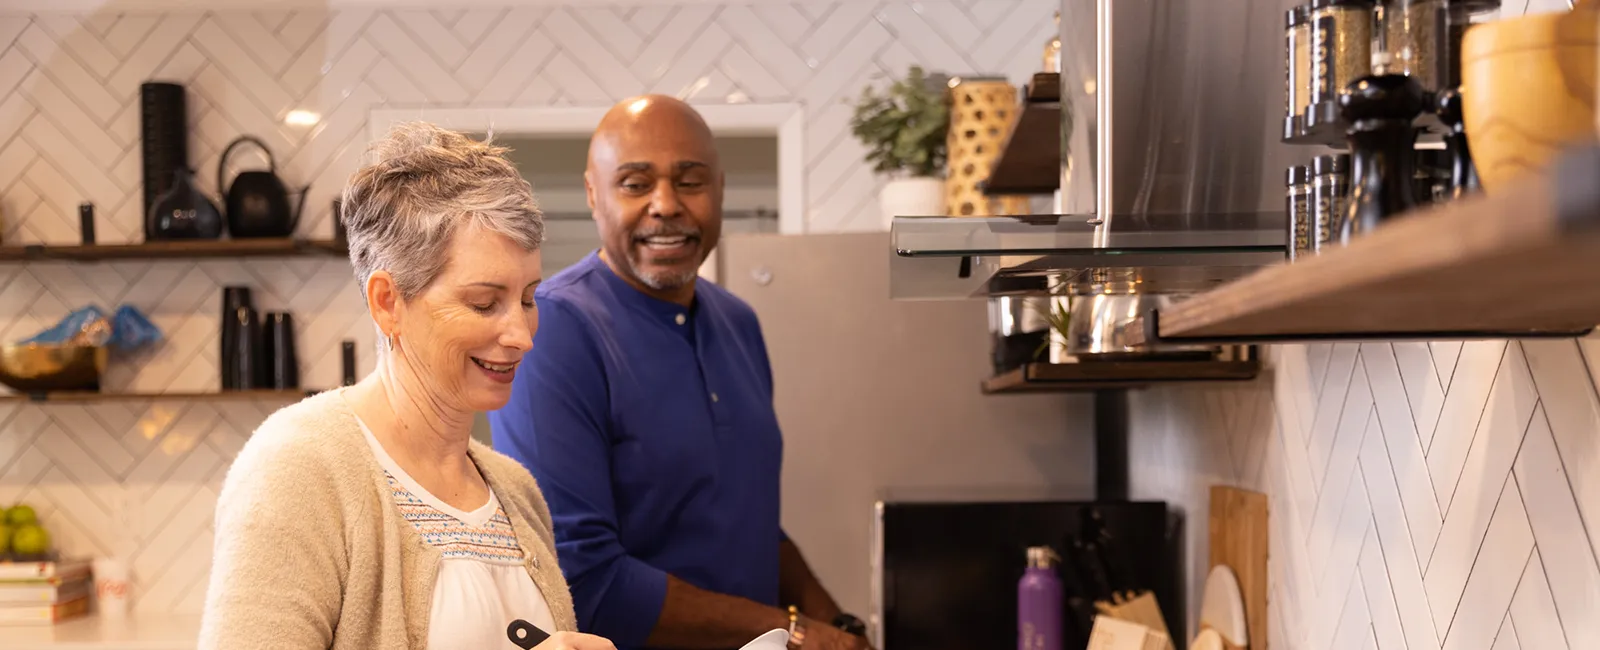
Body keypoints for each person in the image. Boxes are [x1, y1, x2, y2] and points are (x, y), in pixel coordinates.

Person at [199, 122, 618, 650]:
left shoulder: (517, 492)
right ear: (388, 303)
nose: (521, 336)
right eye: (484, 303)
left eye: (528, 299)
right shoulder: (299, 468)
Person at [489, 95, 870, 650]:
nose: (665, 205)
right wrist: (789, 630)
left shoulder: (738, 322)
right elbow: (581, 573)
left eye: (689, 181)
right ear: (594, 194)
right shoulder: (555, 330)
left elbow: (749, 521)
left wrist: (838, 625)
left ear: (719, 189)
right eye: (635, 183)